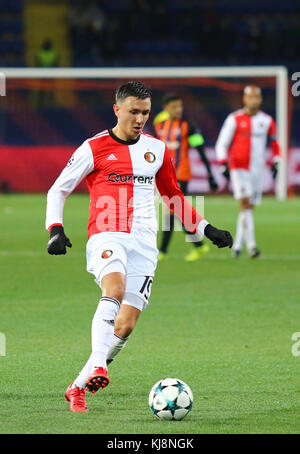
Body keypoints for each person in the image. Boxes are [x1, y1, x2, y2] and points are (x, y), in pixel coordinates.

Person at [46, 81, 233, 413]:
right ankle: (100, 367)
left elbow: (173, 196)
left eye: (145, 112)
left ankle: (77, 387)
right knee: (113, 289)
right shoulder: (94, 147)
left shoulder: (157, 150)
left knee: (126, 325)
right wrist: (55, 229)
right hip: (107, 235)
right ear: (117, 110)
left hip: (145, 246)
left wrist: (206, 228)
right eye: (134, 111)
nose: (140, 118)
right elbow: (58, 189)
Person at [215, 85, 280, 258]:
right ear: (244, 99)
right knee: (245, 204)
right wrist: (223, 163)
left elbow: (275, 144)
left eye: (256, 97)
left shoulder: (267, 120)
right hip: (239, 168)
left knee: (248, 207)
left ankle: (237, 245)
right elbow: (222, 143)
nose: (253, 100)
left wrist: (276, 161)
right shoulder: (234, 119)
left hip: (257, 170)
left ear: (260, 99)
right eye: (250, 97)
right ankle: (252, 246)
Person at [154, 93, 219, 262]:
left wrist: (210, 174)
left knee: (171, 210)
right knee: (175, 211)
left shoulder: (189, 125)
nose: (178, 110)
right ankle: (197, 246)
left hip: (181, 173)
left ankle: (163, 251)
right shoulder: (160, 125)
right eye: (174, 107)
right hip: (165, 175)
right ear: (166, 109)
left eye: (180, 106)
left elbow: (201, 150)